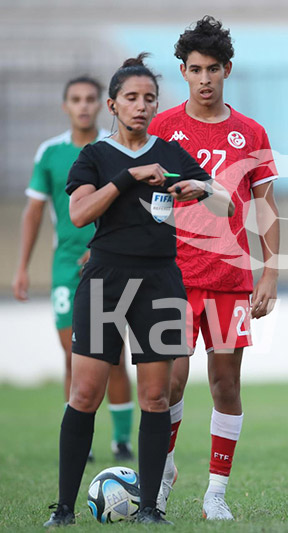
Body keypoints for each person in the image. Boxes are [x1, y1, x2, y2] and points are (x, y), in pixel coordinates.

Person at [43, 53, 234, 527]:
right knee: (84, 393)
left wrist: (200, 189)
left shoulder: (170, 153)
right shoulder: (95, 156)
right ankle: (64, 509)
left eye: (150, 98)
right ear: (113, 104)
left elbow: (227, 205)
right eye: (131, 98)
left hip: (160, 284)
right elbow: (80, 215)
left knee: (156, 398)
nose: (142, 106)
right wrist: (128, 178)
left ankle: (150, 509)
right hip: (104, 280)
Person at [148, 16, 279, 520]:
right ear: (182, 72)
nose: (204, 79)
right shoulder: (164, 128)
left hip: (229, 281)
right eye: (194, 69)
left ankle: (215, 494)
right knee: (170, 384)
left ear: (228, 70)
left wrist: (269, 273)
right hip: (173, 277)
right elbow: (152, 202)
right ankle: (161, 476)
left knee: (225, 385)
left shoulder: (250, 133)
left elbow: (266, 207)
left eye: (213, 69)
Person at [12, 76, 134, 462]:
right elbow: (34, 212)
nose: (83, 105)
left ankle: (121, 441)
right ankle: (84, 440)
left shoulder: (112, 148)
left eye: (90, 99)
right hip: (66, 267)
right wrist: (22, 268)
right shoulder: (49, 153)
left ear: (103, 105)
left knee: (114, 356)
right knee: (76, 356)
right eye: (75, 99)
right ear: (65, 105)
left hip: (111, 264)